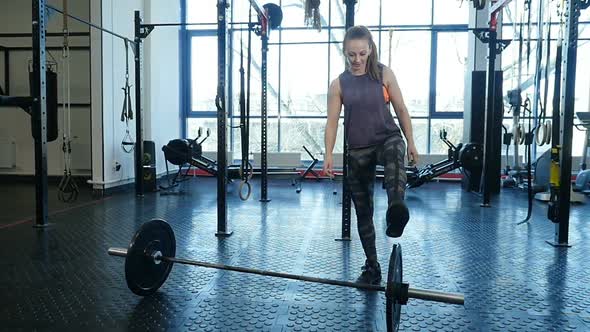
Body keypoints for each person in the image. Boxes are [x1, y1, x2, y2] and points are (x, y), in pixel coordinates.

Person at [323, 26, 419, 285]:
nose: (357, 60)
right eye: (351, 55)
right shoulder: (338, 84)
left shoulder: (384, 73)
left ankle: (396, 208)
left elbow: (401, 109)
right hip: (357, 151)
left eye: (362, 53)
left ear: (370, 50)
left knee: (395, 148)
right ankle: (372, 267)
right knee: (363, 211)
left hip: (386, 138)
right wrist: (328, 154)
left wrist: (410, 141)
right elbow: (332, 122)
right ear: (345, 52)